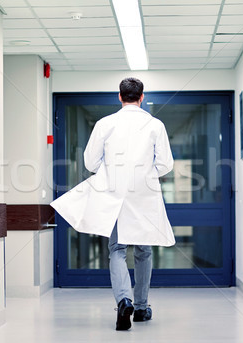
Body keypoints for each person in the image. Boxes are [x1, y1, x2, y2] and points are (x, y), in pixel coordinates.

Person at [51, 77, 175, 331]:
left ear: (119, 97)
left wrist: (110, 171)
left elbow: (90, 163)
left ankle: (123, 301)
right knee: (144, 251)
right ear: (142, 97)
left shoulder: (105, 124)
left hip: (115, 194)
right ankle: (141, 308)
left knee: (117, 250)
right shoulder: (155, 125)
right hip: (144, 195)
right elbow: (165, 164)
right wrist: (144, 172)